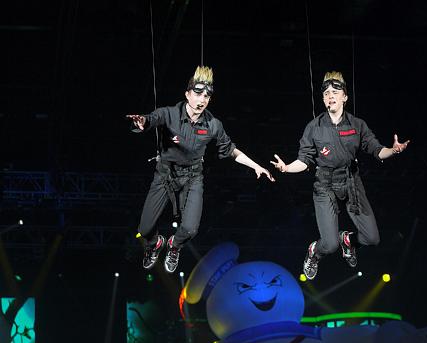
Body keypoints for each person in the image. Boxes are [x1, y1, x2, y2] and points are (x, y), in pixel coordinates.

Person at [126, 66, 274, 273]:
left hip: (192, 177)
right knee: (144, 229)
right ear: (187, 94)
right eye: (197, 93)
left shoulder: (213, 124)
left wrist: (256, 166)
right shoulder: (169, 114)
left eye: (206, 96)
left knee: (190, 229)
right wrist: (142, 122)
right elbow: (150, 119)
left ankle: (174, 246)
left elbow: (230, 150)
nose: (202, 99)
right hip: (165, 174)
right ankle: (155, 244)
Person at [271, 71, 409, 280]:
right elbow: (304, 160)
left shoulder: (357, 125)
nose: (330, 96)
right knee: (330, 245)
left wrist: (393, 150)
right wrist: (287, 168)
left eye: (335, 92)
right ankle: (314, 252)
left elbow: (376, 149)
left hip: (351, 182)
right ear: (323, 99)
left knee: (371, 238)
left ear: (344, 96)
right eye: (326, 93)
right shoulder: (314, 127)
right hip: (325, 185)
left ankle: (348, 241)